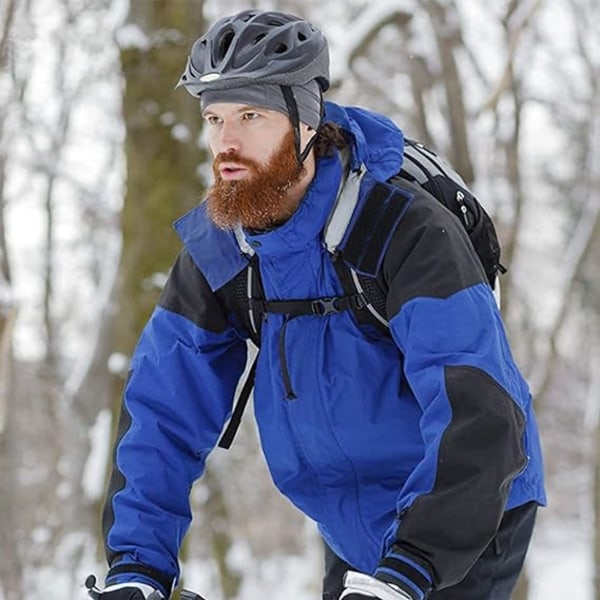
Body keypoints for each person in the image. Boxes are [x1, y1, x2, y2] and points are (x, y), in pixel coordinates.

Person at [98, 9, 546, 600]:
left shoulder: (402, 232)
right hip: (348, 524)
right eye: (214, 118)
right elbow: (163, 408)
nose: (226, 143)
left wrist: (410, 568)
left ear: (305, 122)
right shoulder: (226, 247)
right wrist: (138, 566)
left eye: (251, 116)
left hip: (466, 513)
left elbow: (477, 404)